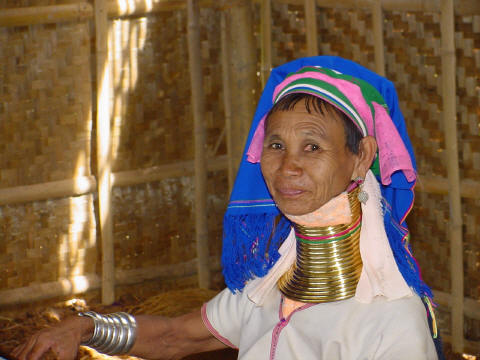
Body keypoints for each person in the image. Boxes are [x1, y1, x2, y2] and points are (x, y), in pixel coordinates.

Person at [13, 56, 443, 360]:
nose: (288, 166)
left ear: (362, 156)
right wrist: (84, 328)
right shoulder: (268, 287)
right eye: (276, 145)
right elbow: (174, 338)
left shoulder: (391, 318)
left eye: (312, 146)